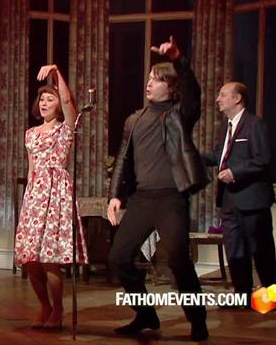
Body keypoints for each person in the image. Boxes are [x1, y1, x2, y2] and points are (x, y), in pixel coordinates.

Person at [107, 36, 209, 342]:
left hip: (170, 198)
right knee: (119, 258)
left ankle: (197, 318)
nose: (149, 83)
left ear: (171, 86)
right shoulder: (134, 120)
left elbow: (193, 92)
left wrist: (179, 60)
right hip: (141, 198)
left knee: (178, 258)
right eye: (149, 78)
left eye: (157, 79)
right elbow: (123, 159)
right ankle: (146, 313)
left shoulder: (179, 114)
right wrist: (115, 196)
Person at [14, 64, 88, 330]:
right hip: (35, 194)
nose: (45, 102)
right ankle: (44, 305)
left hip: (56, 192)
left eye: (50, 98)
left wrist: (56, 72)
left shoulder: (66, 129)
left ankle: (58, 309)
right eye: (42, 98)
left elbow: (69, 100)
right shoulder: (31, 134)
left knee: (49, 258)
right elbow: (31, 167)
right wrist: (29, 198)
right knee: (30, 259)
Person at [201, 82, 276, 306]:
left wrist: (235, 172)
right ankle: (242, 297)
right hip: (229, 201)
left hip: (253, 200)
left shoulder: (254, 124)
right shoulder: (225, 125)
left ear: (237, 99)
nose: (218, 99)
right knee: (235, 250)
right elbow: (220, 155)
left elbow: (262, 159)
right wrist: (191, 155)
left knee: (262, 252)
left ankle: (273, 300)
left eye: (223, 95)